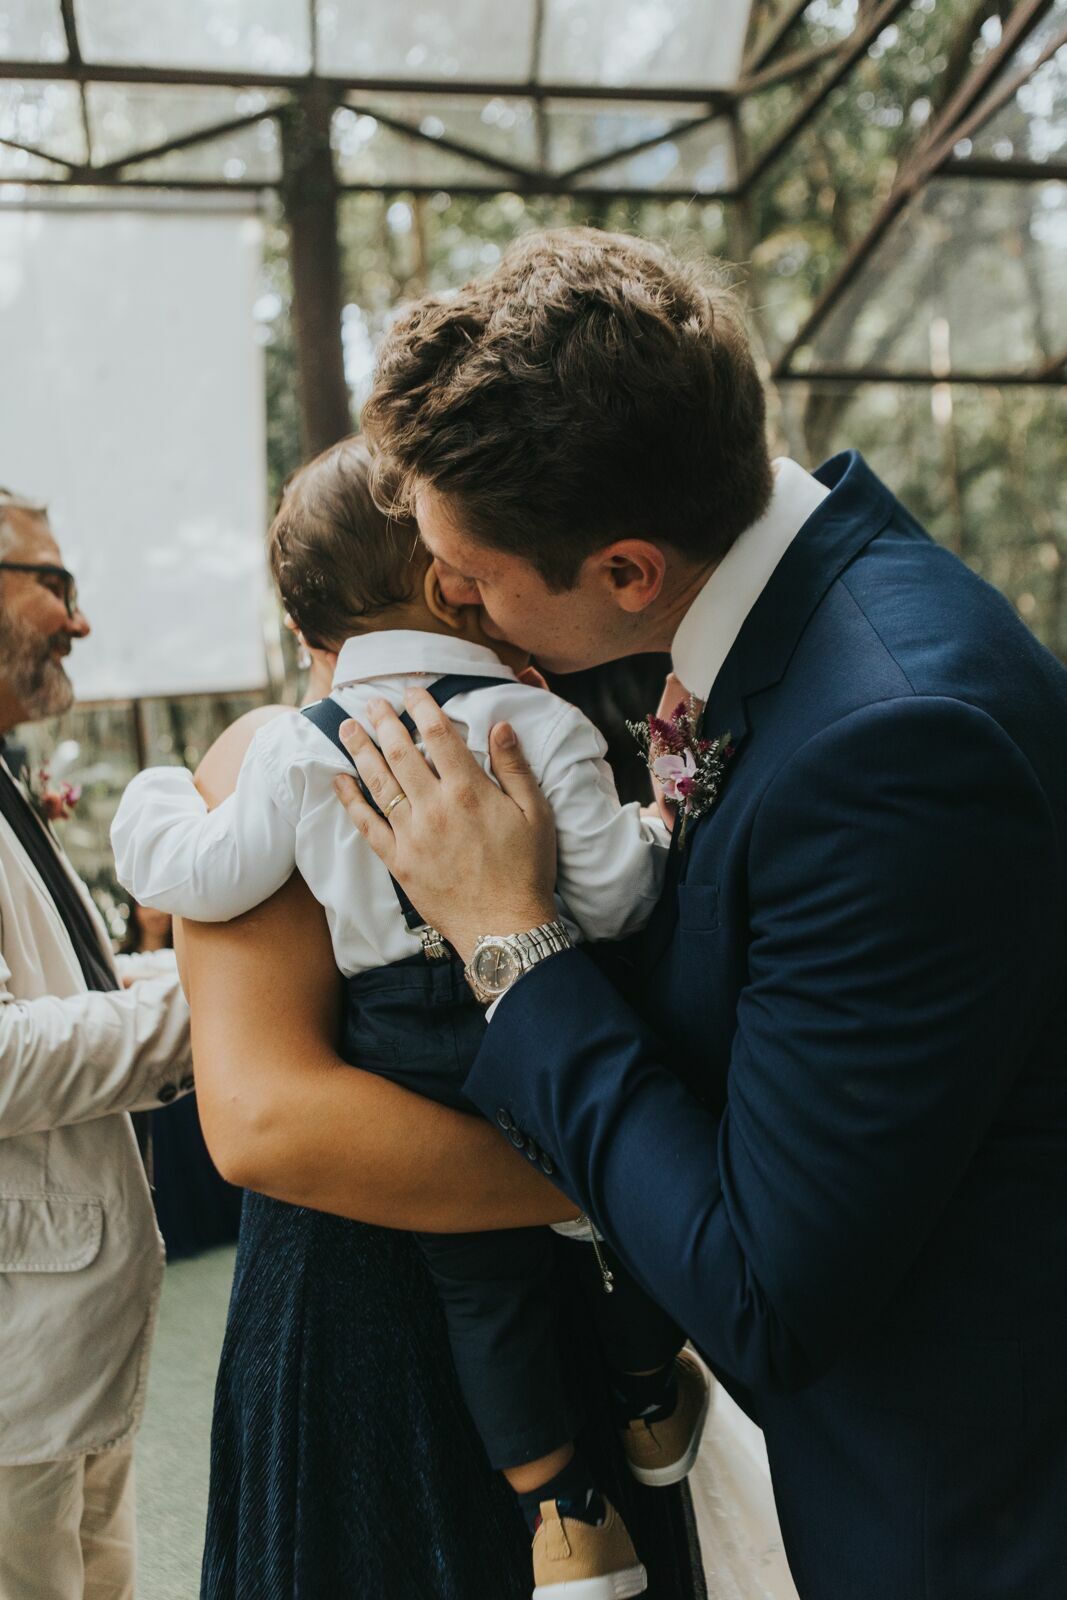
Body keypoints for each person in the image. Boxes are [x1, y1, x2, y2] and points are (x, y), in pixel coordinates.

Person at [323, 227, 1067, 1600]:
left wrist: (512, 937)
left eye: (467, 576)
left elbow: (760, 1291)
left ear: (622, 571)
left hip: (974, 1513)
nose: (452, 607)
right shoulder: (801, 628)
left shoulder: (894, 747)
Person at [112, 436, 709, 1597]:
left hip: (511, 1264)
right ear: (453, 576)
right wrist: (637, 1173)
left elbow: (188, 869)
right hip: (378, 1313)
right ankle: (635, 1407)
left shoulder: (300, 755)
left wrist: (154, 809)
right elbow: (261, 1121)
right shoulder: (304, 742)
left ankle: (568, 1496)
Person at [0, 489, 192, 1599]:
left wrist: (233, 980)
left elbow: (70, 985)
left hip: (66, 1343)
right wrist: (211, 1014)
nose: (79, 621)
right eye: (53, 585)